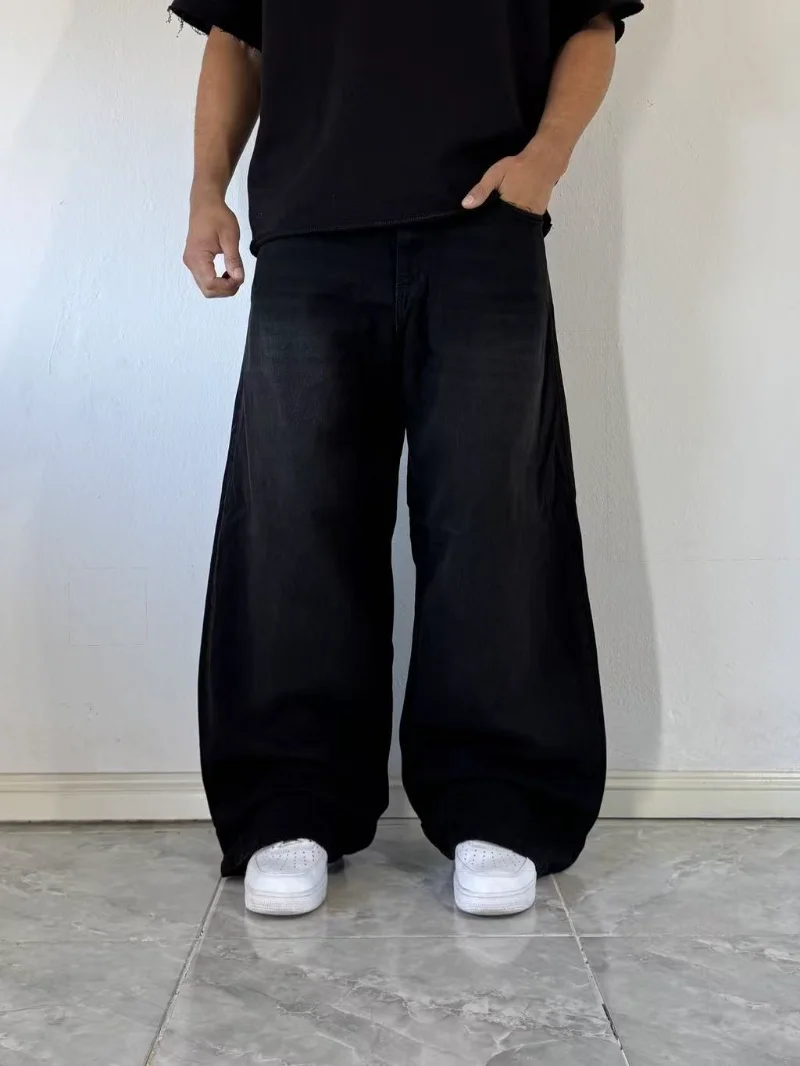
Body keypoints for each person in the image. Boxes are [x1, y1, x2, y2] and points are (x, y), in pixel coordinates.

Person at [168, 0, 642, 918]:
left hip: (485, 228)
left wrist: (546, 159)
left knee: (495, 518)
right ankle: (290, 804)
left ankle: (498, 804)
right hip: (310, 231)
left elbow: (589, 24)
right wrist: (205, 191)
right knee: (294, 521)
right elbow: (236, 35)